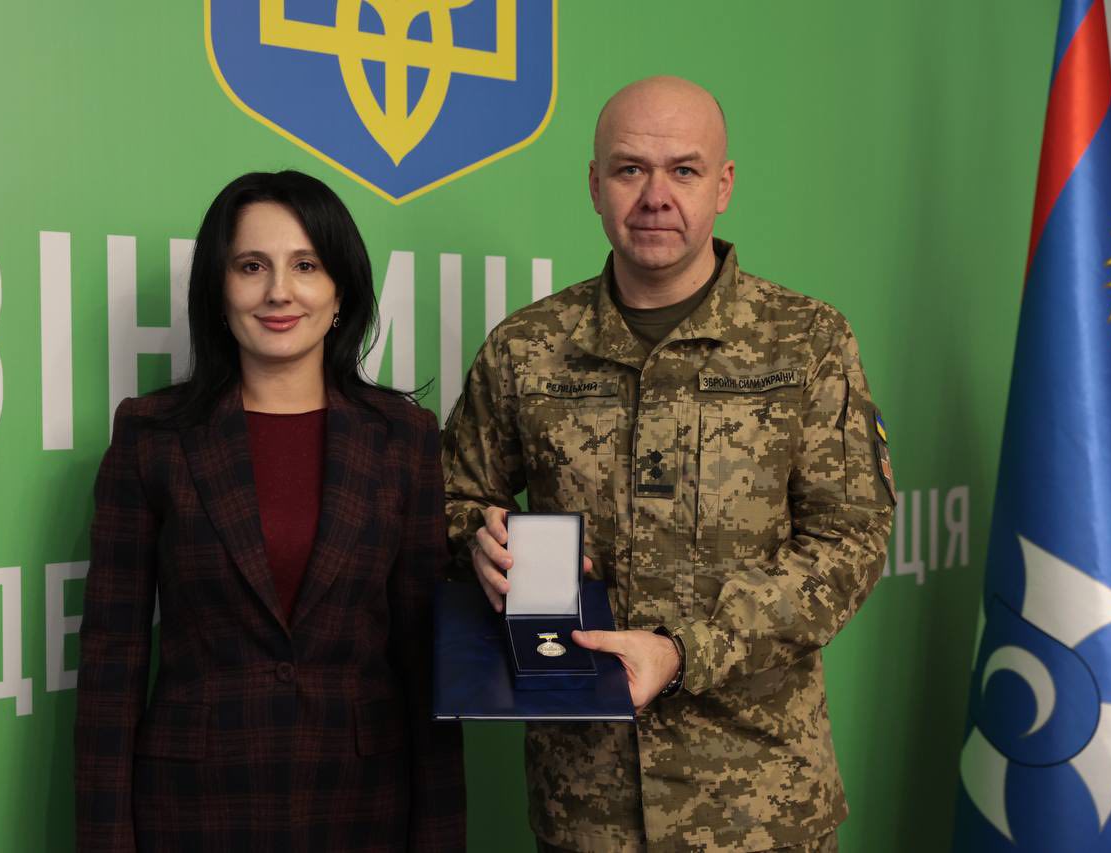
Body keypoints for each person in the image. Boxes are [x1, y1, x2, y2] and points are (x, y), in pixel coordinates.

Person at [441, 77, 894, 852]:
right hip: (586, 806)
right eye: (630, 169)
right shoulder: (527, 348)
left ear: (724, 185)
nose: (655, 196)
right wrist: (476, 544)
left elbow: (850, 543)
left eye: (684, 170)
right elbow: (453, 496)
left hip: (760, 807)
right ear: (594, 185)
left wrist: (685, 651)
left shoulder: (806, 342)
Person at [75, 171, 465, 852]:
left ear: (340, 290)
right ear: (218, 289)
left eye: (306, 265)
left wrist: (439, 837)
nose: (279, 291)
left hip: (362, 810)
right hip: (193, 813)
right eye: (251, 266)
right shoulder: (151, 435)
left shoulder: (404, 438)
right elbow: (113, 662)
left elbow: (424, 657)